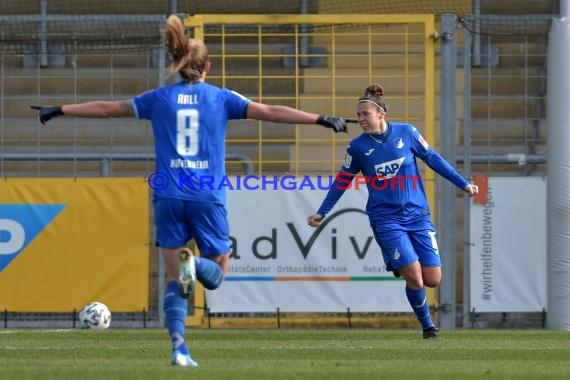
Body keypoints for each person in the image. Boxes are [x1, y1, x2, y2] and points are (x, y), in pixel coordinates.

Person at [31, 14, 348, 367]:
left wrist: (59, 109)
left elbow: (108, 109)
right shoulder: (222, 98)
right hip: (206, 195)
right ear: (207, 66)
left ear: (176, 63)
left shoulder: (158, 99)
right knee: (217, 271)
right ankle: (194, 264)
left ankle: (179, 348)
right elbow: (271, 112)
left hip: (168, 195)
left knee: (175, 281)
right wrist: (320, 119)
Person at [307, 84, 478, 339]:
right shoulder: (357, 148)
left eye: (365, 114)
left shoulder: (407, 133)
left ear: (381, 114)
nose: (361, 119)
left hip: (418, 215)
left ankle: (400, 263)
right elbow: (342, 180)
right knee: (416, 278)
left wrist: (463, 183)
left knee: (432, 279)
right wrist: (323, 211)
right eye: (359, 115)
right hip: (385, 219)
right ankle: (428, 328)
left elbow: (433, 159)